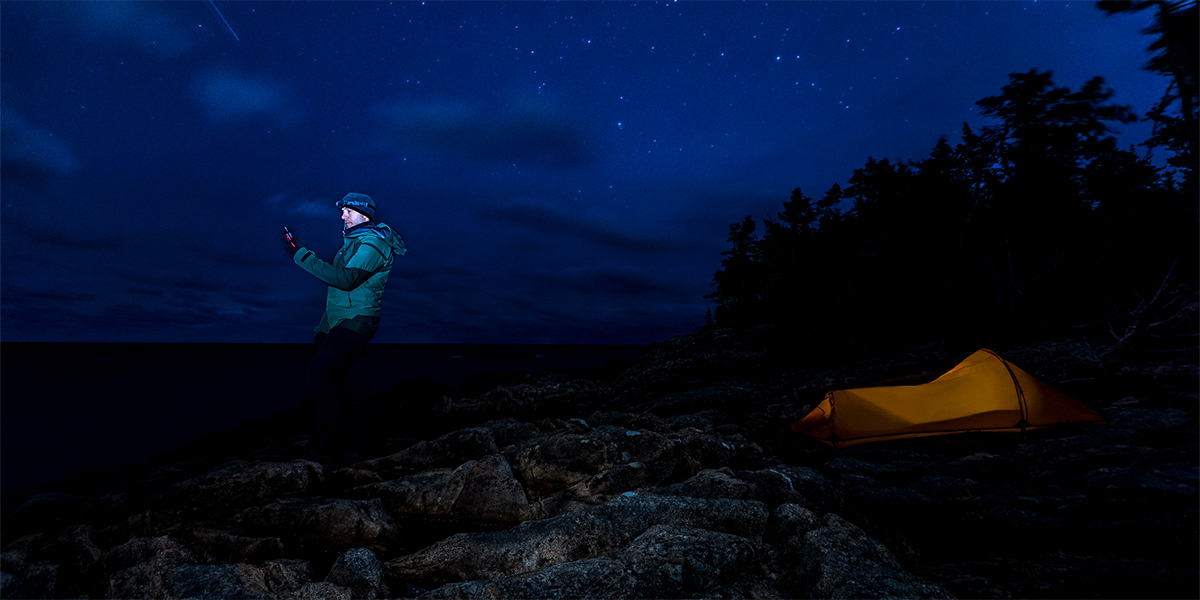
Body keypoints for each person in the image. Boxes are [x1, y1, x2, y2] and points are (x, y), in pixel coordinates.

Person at [281, 192, 406, 458]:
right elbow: (339, 295)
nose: (342, 215)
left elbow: (345, 280)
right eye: (342, 210)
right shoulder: (354, 242)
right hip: (342, 322)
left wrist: (299, 254)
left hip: (357, 322)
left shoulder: (373, 243)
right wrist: (323, 328)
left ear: (364, 214)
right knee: (353, 383)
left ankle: (327, 446)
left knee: (318, 374)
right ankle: (360, 446)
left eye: (348, 211)